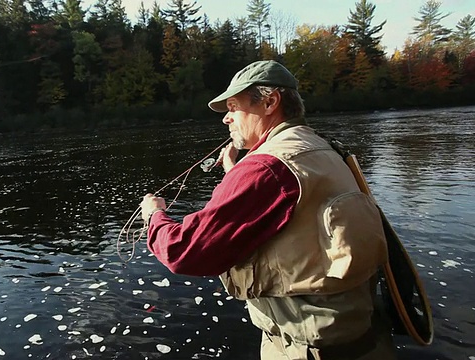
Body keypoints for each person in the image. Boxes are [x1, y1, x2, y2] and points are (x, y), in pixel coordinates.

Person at [140, 60, 397, 360]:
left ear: (270, 102)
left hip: (308, 352)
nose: (227, 119)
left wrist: (154, 215)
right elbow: (292, 211)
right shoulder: (322, 147)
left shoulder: (266, 168)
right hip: (364, 342)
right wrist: (236, 174)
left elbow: (184, 250)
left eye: (234, 107)